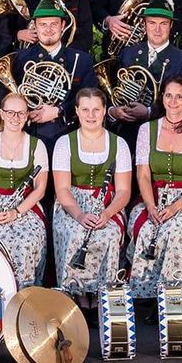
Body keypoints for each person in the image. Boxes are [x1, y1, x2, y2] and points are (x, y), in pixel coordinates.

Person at [126, 76, 182, 301]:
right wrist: (150, 206)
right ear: (161, 98)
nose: (173, 102)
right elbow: (143, 175)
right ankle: (145, 294)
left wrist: (175, 208)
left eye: (179, 96)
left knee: (174, 231)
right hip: (153, 197)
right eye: (168, 96)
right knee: (148, 229)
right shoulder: (147, 130)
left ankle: (172, 298)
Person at [51, 85, 132, 299]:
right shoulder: (64, 143)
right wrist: (79, 215)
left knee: (110, 234)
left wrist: (107, 214)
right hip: (72, 205)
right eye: (85, 110)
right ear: (76, 111)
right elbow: (62, 188)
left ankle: (101, 295)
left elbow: (123, 191)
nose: (91, 115)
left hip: (107, 206)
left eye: (96, 109)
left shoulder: (119, 144)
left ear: (105, 110)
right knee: (74, 232)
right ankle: (74, 293)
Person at [0, 95, 49, 288]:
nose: (15, 118)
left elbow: (40, 188)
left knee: (26, 241)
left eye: (21, 113)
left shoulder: (36, 145)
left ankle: (25, 294)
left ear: (27, 116)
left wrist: (17, 212)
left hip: (26, 206)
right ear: (1, 114)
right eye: (10, 113)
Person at [9, 2, 97, 145]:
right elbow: (6, 97)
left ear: (63, 26)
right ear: (35, 27)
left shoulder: (82, 59)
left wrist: (59, 111)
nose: (48, 29)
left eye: (54, 24)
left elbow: (91, 97)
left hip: (70, 136)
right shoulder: (19, 59)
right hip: (29, 135)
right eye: (43, 24)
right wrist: (25, 111)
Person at [105, 7, 182, 131]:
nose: (157, 30)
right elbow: (111, 93)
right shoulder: (127, 54)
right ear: (144, 25)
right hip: (126, 131)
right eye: (152, 23)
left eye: (163, 24)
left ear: (171, 25)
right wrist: (113, 112)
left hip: (163, 132)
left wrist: (149, 112)